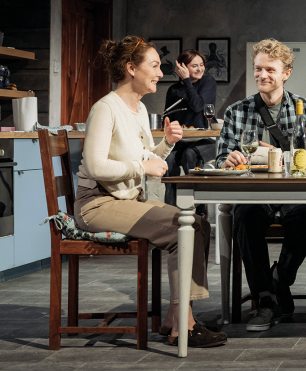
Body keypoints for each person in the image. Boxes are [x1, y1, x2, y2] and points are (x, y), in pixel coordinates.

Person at [74, 36, 227, 348]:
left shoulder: (139, 109)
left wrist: (167, 143)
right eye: (155, 66)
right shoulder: (105, 108)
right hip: (97, 204)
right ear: (132, 68)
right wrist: (141, 167)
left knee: (199, 223)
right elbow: (95, 166)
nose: (160, 72)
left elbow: (145, 156)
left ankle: (175, 316)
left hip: (126, 201)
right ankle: (184, 326)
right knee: (181, 229)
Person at [216, 39, 306, 331]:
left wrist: (279, 154)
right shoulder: (237, 111)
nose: (262, 75)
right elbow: (221, 158)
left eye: (270, 70)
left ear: (286, 73)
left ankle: (278, 280)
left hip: (294, 191)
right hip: (253, 191)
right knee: (245, 216)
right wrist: (228, 159)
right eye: (258, 69)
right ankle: (264, 298)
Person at [163, 49, 217, 211]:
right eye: (194, 66)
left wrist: (187, 80)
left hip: (206, 141)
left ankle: (199, 211)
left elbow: (198, 106)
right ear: (182, 67)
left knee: (189, 155)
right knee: (168, 158)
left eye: (202, 65)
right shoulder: (173, 90)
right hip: (181, 141)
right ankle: (170, 212)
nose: (200, 69)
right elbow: (168, 117)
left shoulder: (208, 82)